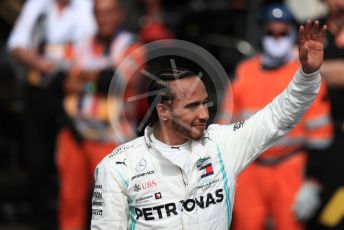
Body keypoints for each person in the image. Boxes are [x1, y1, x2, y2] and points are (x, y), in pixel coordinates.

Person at [90, 20, 327, 229]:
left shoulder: (222, 144)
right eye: (192, 106)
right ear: (163, 111)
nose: (204, 114)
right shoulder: (117, 167)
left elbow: (278, 117)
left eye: (205, 103)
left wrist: (307, 74)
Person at [219, 4, 334, 230]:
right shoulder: (244, 72)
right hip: (249, 168)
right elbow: (224, 128)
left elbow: (320, 138)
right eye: (271, 32)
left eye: (282, 32)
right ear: (262, 33)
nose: (276, 38)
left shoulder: (305, 77)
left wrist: (312, 183)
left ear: (293, 34)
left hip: (290, 168)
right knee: (246, 224)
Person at [7, 0, 95, 228]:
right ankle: (40, 218)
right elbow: (17, 45)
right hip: (40, 91)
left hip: (72, 92)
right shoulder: (37, 5)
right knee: (38, 159)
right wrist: (43, 65)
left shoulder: (86, 5)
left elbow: (92, 43)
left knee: (75, 158)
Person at [56, 0, 144, 229]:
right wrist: (96, 81)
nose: (104, 18)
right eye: (99, 13)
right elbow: (65, 83)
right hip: (76, 133)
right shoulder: (81, 45)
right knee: (70, 201)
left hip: (111, 139)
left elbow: (119, 81)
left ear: (119, 14)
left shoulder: (131, 46)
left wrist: (85, 79)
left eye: (109, 13)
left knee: (112, 205)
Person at [306, 0, 344, 229]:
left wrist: (314, 70)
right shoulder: (312, 29)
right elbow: (289, 69)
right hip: (320, 140)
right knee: (319, 215)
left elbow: (304, 69)